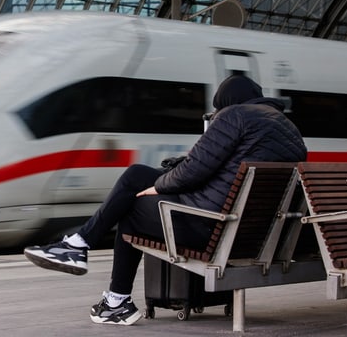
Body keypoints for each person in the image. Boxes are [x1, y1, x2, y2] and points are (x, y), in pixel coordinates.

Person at [23, 75, 308, 326]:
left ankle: (111, 294)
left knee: (131, 206)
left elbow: (194, 171)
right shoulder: (289, 130)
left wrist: (160, 185)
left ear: (227, 102)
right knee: (137, 177)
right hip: (254, 233)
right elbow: (224, 169)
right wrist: (167, 176)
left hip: (211, 227)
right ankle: (83, 249)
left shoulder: (234, 116)